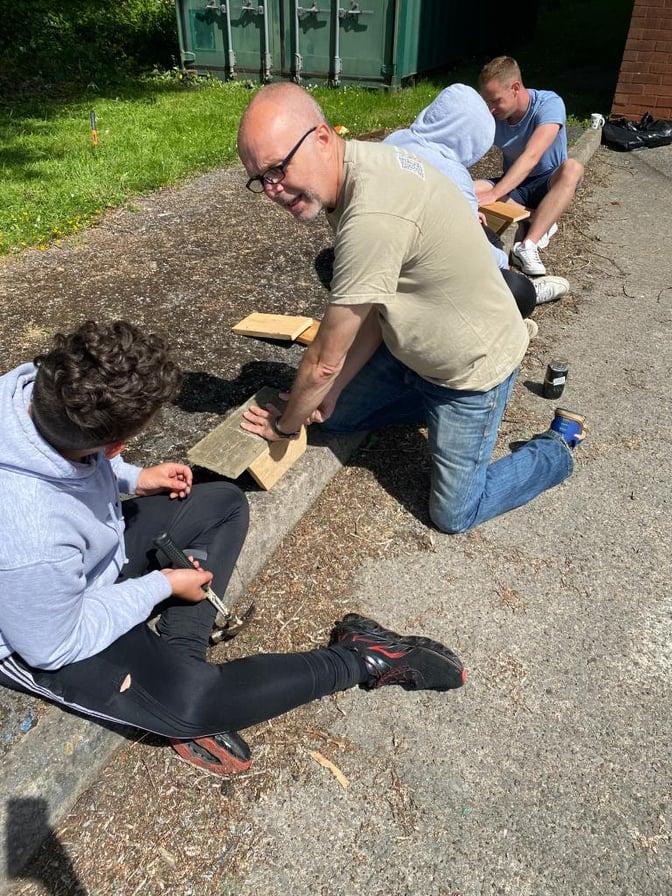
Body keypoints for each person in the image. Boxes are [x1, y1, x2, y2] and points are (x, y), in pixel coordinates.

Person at [0, 320, 466, 776]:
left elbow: (71, 456)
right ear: (116, 441)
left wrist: (132, 477)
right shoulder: (33, 535)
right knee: (194, 702)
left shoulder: (34, 393)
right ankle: (362, 657)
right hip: (42, 630)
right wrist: (159, 586)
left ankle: (178, 657)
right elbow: (53, 645)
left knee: (222, 502)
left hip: (79, 561)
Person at [236, 83, 585, 536]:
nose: (271, 189)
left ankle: (557, 448)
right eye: (259, 178)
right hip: (416, 351)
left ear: (322, 137)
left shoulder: (370, 214)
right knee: (331, 413)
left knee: (454, 513)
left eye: (277, 169)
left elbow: (322, 361)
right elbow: (373, 306)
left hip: (471, 371)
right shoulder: (356, 166)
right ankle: (424, 405)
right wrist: (329, 392)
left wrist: (284, 428)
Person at [384, 83, 569, 311]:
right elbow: (471, 249)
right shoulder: (453, 175)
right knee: (516, 290)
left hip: (381, 249)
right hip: (421, 264)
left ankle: (536, 228)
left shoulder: (394, 141)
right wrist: (500, 260)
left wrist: (471, 208)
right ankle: (527, 292)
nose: (492, 109)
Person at [474, 56, 584, 277]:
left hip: (547, 182)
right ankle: (541, 218)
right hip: (516, 185)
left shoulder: (548, 103)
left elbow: (532, 156)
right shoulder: (494, 117)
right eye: (487, 102)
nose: (491, 109)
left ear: (515, 88)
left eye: (495, 101)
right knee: (465, 186)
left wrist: (495, 194)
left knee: (573, 168)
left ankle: (528, 245)